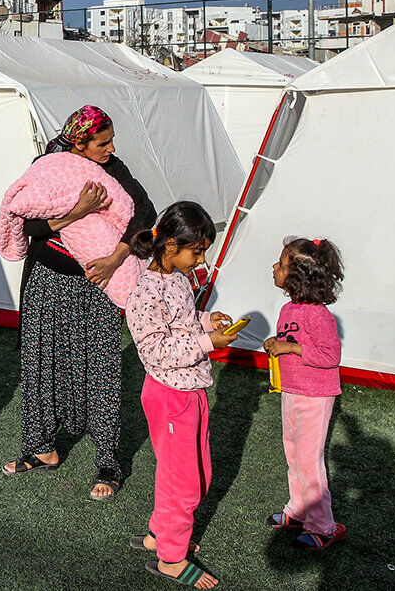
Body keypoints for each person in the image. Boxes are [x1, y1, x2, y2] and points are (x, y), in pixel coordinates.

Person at [3, 104, 156, 501]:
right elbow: (28, 221)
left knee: (101, 367)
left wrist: (115, 258)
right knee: (40, 363)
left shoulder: (114, 169)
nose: (110, 148)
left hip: (97, 282)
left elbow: (144, 212)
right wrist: (78, 212)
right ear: (80, 141)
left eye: (111, 141)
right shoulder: (47, 163)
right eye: (102, 143)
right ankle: (42, 448)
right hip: (47, 280)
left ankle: (108, 461)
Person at [125, 201, 236, 590]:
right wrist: (209, 341)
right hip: (170, 394)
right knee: (184, 482)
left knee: (195, 474)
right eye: (198, 250)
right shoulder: (144, 292)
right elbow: (154, 349)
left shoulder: (177, 279)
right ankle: (171, 558)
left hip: (192, 390)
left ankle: (161, 533)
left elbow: (183, 324)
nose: (201, 258)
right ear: (170, 245)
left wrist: (209, 322)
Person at [263, 237, 347, 550]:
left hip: (315, 396)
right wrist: (278, 342)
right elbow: (291, 341)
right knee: (292, 453)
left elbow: (330, 356)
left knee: (310, 461)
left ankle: (324, 527)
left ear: (299, 277)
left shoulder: (320, 315)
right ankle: (298, 510)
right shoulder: (289, 308)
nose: (275, 267)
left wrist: (292, 347)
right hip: (292, 391)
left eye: (282, 264)